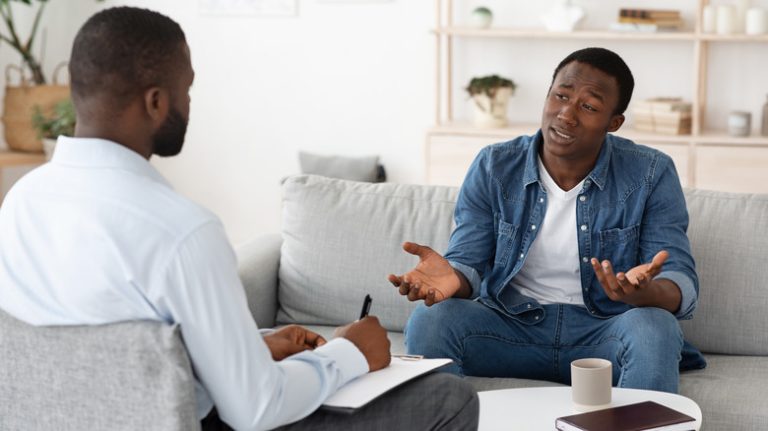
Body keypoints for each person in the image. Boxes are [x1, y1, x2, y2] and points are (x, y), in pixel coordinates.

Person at [0, 7, 478, 431]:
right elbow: (255, 410)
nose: (189, 105)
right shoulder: (181, 232)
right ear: (155, 101)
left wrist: (246, 348)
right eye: (186, 89)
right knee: (450, 399)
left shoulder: (20, 204)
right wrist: (350, 353)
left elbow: (101, 355)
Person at [388, 47, 705, 394]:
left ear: (613, 123)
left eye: (589, 106)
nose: (566, 114)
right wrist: (454, 277)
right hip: (510, 328)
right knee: (431, 320)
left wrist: (646, 292)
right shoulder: (494, 165)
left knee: (654, 327)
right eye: (561, 96)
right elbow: (468, 263)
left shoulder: (651, 172)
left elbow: (679, 279)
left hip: (604, 333)